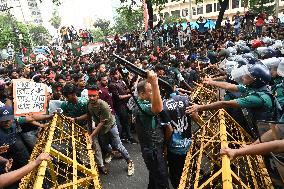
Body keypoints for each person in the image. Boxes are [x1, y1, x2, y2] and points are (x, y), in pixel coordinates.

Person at [187, 63, 274, 138]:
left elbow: (225, 104)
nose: (243, 77)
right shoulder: (254, 87)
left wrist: (199, 107)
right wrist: (211, 82)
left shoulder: (258, 98)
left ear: (255, 81)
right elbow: (229, 86)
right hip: (254, 122)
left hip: (260, 133)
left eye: (247, 76)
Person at [73, 85, 135, 176]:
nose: (91, 98)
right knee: (104, 145)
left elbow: (102, 123)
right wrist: (76, 119)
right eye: (90, 96)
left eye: (94, 95)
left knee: (118, 145)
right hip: (101, 128)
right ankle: (112, 153)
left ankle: (130, 162)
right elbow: (89, 116)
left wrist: (91, 136)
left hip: (110, 126)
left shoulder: (104, 105)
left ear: (98, 95)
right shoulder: (89, 104)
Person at [133, 71, 169, 189]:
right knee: (161, 180)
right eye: (150, 91)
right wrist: (154, 83)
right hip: (152, 150)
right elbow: (158, 108)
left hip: (153, 147)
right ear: (142, 94)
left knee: (154, 177)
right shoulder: (142, 106)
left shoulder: (142, 100)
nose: (153, 93)